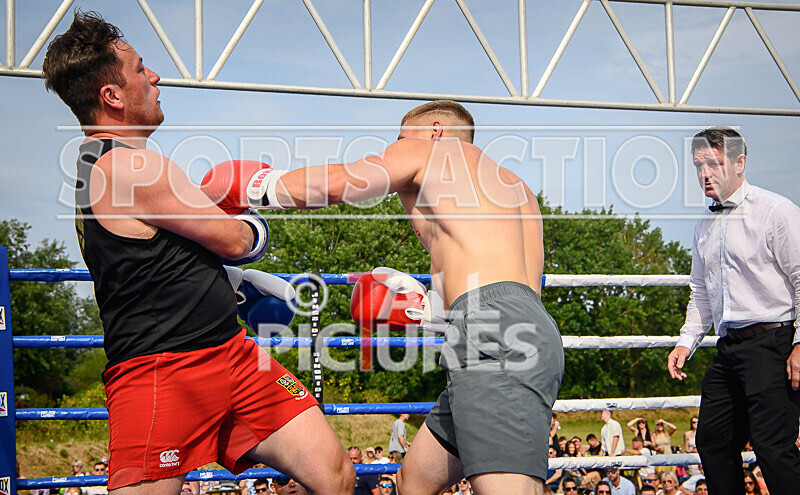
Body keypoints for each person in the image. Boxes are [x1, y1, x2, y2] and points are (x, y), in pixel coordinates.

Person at [42, 11, 353, 494]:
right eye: (141, 69)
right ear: (112, 96)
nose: (155, 77)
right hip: (162, 370)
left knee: (333, 473)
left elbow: (164, 246)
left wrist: (220, 267)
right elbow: (236, 242)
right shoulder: (130, 165)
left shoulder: (95, 166)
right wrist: (250, 205)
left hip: (231, 352)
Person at [202, 100, 565, 494]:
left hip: (493, 337)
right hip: (515, 326)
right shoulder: (515, 189)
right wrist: (432, 310)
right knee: (414, 481)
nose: (395, 148)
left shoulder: (429, 148)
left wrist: (260, 185)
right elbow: (514, 287)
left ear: (436, 129)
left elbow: (341, 183)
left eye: (401, 138)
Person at [667, 126, 800, 495]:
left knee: (773, 448)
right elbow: (701, 292)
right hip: (728, 349)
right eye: (698, 165)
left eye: (714, 163)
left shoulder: (777, 211)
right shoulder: (703, 225)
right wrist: (686, 342)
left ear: (739, 162)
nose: (704, 173)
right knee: (712, 442)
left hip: (774, 342)